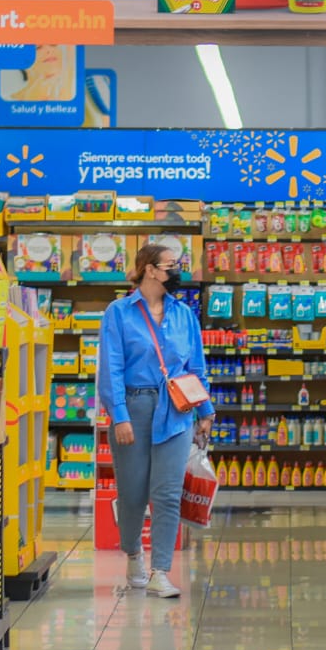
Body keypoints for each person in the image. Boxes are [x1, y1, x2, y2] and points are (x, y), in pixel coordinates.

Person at [97, 243, 214, 599]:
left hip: (176, 411)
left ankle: (160, 571)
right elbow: (111, 368)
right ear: (149, 269)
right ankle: (134, 554)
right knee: (133, 493)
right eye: (170, 265)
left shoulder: (184, 315)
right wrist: (119, 415)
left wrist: (206, 411)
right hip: (134, 408)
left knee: (167, 493)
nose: (177, 272)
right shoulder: (119, 313)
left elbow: (196, 367)